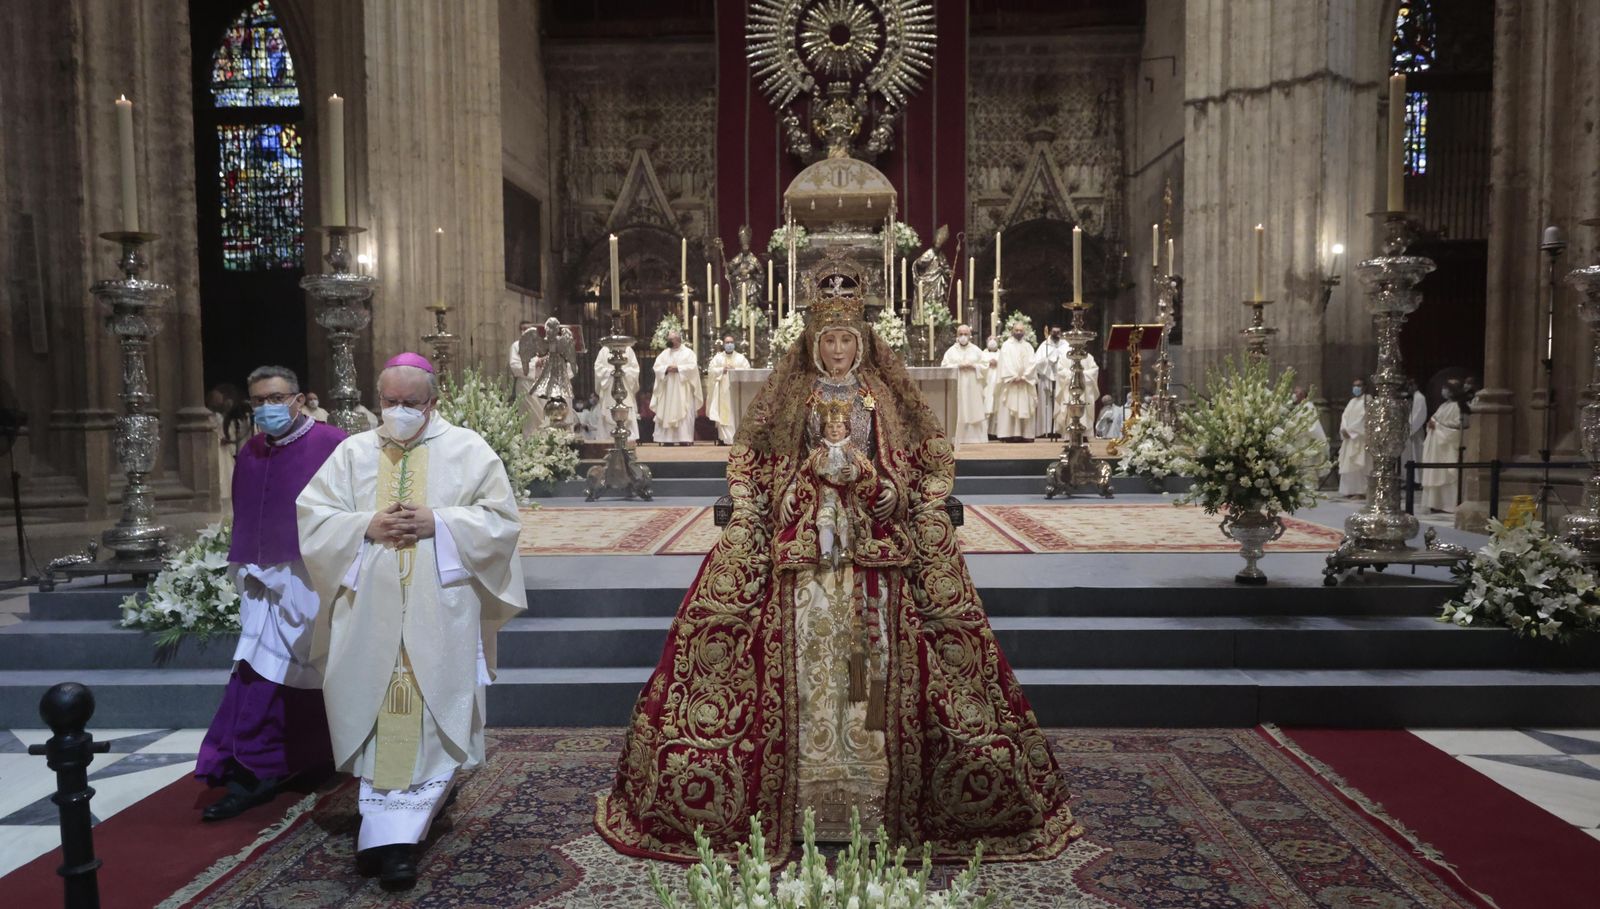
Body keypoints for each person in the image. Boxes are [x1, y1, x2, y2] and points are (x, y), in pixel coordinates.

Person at [596, 262, 1082, 862]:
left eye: (845, 339)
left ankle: (878, 793)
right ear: (812, 342)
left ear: (861, 341)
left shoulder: (886, 396)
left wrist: (896, 493)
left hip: (877, 544)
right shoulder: (790, 394)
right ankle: (796, 793)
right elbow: (749, 460)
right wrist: (770, 500)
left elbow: (930, 460)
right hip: (803, 542)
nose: (835, 350)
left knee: (880, 658)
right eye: (826, 340)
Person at [296, 353, 526, 891]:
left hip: (437, 610)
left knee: (427, 707)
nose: (398, 412)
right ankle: (385, 826)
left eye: (410, 403)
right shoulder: (353, 453)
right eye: (390, 402)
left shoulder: (468, 450)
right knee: (376, 707)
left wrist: (439, 522)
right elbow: (314, 519)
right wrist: (366, 524)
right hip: (368, 612)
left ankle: (399, 838)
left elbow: (501, 522)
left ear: (433, 403)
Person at [196, 366, 344, 821]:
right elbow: (246, 511)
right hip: (262, 580)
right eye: (258, 400)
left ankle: (308, 757)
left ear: (299, 399)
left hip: (310, 576)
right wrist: (246, 565)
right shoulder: (251, 449)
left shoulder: (333, 444)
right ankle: (251, 766)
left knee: (312, 670)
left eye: (275, 398)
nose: (266, 409)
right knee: (258, 668)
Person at [938, 323, 990, 445]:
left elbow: (985, 366)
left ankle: (976, 438)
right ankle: (958, 437)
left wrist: (974, 366)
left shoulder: (977, 351)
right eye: (960, 334)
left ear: (970, 335)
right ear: (957, 336)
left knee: (973, 408)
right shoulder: (950, 351)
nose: (963, 336)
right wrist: (958, 366)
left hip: (973, 387)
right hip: (958, 386)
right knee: (958, 408)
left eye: (966, 334)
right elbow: (944, 367)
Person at [652, 330, 701, 445]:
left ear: (678, 340)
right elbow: (657, 367)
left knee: (683, 410)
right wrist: (666, 369)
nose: (668, 341)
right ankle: (667, 439)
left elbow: (693, 368)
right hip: (668, 388)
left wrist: (679, 368)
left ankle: (684, 438)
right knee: (666, 410)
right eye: (668, 339)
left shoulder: (688, 353)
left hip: (682, 389)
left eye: (671, 339)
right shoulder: (664, 353)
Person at [1421, 386, 1464, 513]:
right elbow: (1434, 418)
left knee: (1447, 474)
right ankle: (1435, 503)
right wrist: (1431, 424)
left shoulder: (1458, 406)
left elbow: (1458, 425)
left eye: (1447, 389)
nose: (1444, 392)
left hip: (1446, 446)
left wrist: (1438, 426)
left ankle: (1448, 505)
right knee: (1435, 472)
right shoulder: (1443, 405)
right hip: (1436, 445)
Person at [705, 335, 751, 445]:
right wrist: (722, 370)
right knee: (723, 414)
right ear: (724, 344)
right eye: (727, 342)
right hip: (722, 392)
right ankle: (723, 438)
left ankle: (736, 437)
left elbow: (747, 371)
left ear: (734, 343)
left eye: (731, 342)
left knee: (735, 412)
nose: (729, 344)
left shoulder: (741, 358)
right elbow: (711, 371)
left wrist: (735, 370)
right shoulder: (718, 358)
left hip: (735, 391)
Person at [994, 322, 1036, 441]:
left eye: (1021, 330)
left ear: (1024, 331)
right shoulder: (1006, 345)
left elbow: (1033, 362)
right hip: (1011, 383)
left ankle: (1025, 434)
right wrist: (1013, 376)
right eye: (1016, 330)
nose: (1018, 332)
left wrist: (1024, 376)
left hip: (1024, 382)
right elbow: (1005, 363)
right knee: (1008, 407)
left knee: (1025, 406)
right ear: (1012, 331)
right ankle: (1008, 434)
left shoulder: (1028, 346)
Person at [594, 343, 641, 441]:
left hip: (625, 384)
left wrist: (622, 371)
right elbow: (598, 368)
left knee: (626, 410)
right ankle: (608, 439)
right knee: (607, 412)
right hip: (609, 385)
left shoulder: (628, 350)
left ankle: (628, 441)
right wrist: (612, 372)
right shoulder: (604, 350)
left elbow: (635, 369)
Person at [1053, 347, 1099, 439]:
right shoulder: (1064, 357)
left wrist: (1080, 375)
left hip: (1084, 388)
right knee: (1068, 405)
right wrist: (1073, 376)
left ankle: (1084, 435)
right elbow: (1060, 371)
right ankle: (1069, 435)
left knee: (1084, 406)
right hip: (1069, 387)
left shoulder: (1088, 357)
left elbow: (1094, 371)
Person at [1031, 326, 1068, 439]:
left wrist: (1059, 361)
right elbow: (1037, 362)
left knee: (1060, 402)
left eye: (1058, 332)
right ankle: (1046, 429)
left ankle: (1059, 429)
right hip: (1046, 378)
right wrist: (1048, 361)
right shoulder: (1044, 345)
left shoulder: (1066, 345)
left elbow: (1069, 360)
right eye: (1053, 332)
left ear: (1061, 333)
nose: (1056, 334)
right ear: (1050, 333)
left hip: (1061, 379)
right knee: (1047, 403)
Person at [509, 320, 543, 435]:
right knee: (530, 416)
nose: (524, 331)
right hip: (525, 384)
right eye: (522, 329)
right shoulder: (516, 345)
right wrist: (535, 365)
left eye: (527, 328)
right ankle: (529, 444)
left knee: (542, 416)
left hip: (540, 385)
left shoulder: (539, 346)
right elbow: (514, 366)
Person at [1339, 378, 1371, 499]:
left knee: (1360, 465)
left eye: (1358, 385)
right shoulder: (1352, 401)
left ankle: (1360, 491)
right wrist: (1344, 429)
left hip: (1360, 438)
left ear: (1364, 387)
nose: (1356, 388)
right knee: (1348, 464)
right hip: (1349, 438)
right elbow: (1344, 416)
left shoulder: (1367, 399)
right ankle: (1349, 490)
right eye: (1354, 385)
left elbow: (1364, 418)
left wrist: (1351, 431)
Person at [1293, 386, 1329, 466]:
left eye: (1296, 392)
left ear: (1302, 395)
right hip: (1298, 442)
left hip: (1306, 442)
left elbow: (1312, 425)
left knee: (1308, 469)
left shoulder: (1308, 406)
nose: (1294, 395)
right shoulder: (1298, 407)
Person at [1404, 380, 1427, 482]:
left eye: (1410, 386)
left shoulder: (1420, 398)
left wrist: (1411, 428)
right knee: (1410, 455)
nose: (1409, 388)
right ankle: (1411, 479)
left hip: (1415, 431)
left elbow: (1420, 415)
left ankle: (1418, 480)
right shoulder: (1413, 398)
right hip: (1410, 430)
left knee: (1417, 454)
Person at [981, 335, 1001, 438]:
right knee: (986, 406)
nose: (992, 341)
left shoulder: (1002, 354)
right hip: (987, 384)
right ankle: (985, 432)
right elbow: (979, 365)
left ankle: (996, 432)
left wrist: (999, 363)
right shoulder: (981, 354)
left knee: (997, 407)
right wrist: (988, 363)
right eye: (990, 339)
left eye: (995, 339)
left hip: (998, 384)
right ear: (986, 341)